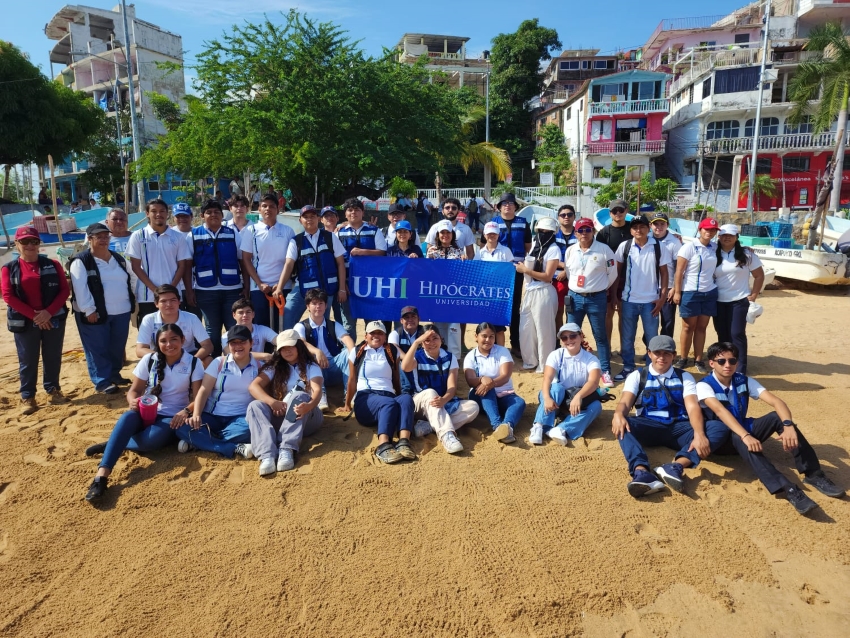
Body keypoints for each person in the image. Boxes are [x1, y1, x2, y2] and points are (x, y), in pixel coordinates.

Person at [697, 341, 844, 514]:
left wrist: (788, 425)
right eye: (721, 361)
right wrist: (746, 435)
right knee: (738, 436)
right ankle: (788, 489)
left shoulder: (743, 380)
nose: (727, 365)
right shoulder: (704, 385)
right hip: (721, 439)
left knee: (777, 417)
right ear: (711, 363)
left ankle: (814, 474)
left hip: (742, 428)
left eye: (732, 360)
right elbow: (720, 411)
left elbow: (776, 401)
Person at [83, 324, 205, 501]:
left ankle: (115, 443)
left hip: (172, 416)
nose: (169, 344)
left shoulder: (194, 362)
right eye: (163, 341)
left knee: (149, 442)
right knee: (127, 417)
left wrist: (185, 411)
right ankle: (101, 477)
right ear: (157, 343)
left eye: (174, 339)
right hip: (145, 409)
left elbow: (199, 397)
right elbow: (134, 391)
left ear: (183, 340)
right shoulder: (149, 359)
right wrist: (132, 401)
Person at [611, 334, 729, 497]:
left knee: (718, 427)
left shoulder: (684, 377)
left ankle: (675, 467)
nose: (662, 357)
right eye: (657, 353)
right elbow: (625, 402)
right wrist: (618, 414)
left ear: (674, 355)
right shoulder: (638, 375)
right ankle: (641, 471)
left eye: (667, 353)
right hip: (649, 425)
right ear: (649, 353)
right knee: (624, 424)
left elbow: (692, 407)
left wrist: (699, 434)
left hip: (678, 428)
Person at [1, 226, 71, 414]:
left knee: (52, 356)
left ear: (39, 244)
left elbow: (64, 290)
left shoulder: (53, 264)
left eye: (34, 241)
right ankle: (28, 396)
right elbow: (8, 296)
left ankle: (53, 390)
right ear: (16, 244)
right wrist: (36, 316)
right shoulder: (9, 268)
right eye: (25, 241)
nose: (30, 245)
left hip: (52, 319)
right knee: (28, 359)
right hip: (25, 322)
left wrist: (48, 313)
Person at [174, 324, 258, 460]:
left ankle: (199, 441)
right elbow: (204, 390)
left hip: (240, 418)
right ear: (228, 345)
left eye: (242, 342)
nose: (238, 346)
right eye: (233, 343)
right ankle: (231, 447)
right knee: (182, 427)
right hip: (212, 415)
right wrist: (196, 414)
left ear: (251, 343)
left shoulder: (259, 366)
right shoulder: (219, 362)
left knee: (250, 429)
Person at [247, 330, 324, 475]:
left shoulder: (311, 366)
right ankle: (267, 455)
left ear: (299, 346)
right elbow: (253, 387)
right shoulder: (274, 367)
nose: (287, 351)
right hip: (282, 414)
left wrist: (309, 406)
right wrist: (272, 402)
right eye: (283, 348)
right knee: (254, 406)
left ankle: (287, 448)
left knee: (299, 395)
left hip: (307, 415)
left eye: (291, 346)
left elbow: (317, 390)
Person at [69, 223, 134, 394]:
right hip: (95, 313)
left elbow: (132, 278)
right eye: (99, 237)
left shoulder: (118, 259)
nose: (104, 240)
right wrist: (88, 309)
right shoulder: (81, 261)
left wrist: (134, 301)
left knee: (117, 346)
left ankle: (114, 374)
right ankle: (102, 381)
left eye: (106, 236)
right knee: (97, 348)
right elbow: (80, 287)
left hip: (121, 311)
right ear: (89, 239)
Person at [341, 321, 415, 464]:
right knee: (388, 403)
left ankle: (403, 442)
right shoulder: (357, 352)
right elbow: (352, 380)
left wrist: (399, 397)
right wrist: (347, 404)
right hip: (366, 398)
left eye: (380, 333)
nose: (376, 336)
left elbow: (396, 378)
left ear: (385, 336)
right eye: (372, 333)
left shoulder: (392, 351)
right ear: (366, 336)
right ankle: (383, 445)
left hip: (388, 397)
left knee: (406, 398)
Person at [402, 325, 480, 454]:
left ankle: (429, 427)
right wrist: (415, 342)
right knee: (430, 392)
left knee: (473, 407)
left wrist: (444, 399)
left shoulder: (450, 357)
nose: (431, 343)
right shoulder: (417, 357)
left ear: (441, 339)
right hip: (420, 403)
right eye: (427, 340)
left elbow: (452, 387)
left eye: (435, 338)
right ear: (422, 343)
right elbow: (405, 367)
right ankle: (447, 435)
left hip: (441, 402)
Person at [613, 214, 671, 381]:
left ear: (648, 228)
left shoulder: (658, 246)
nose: (638, 230)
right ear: (631, 230)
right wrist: (615, 296)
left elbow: (664, 273)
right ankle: (628, 367)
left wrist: (662, 297)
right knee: (627, 337)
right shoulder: (625, 246)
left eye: (642, 226)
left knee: (652, 338)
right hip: (629, 300)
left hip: (650, 301)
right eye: (635, 227)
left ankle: (651, 370)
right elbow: (617, 273)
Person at [187, 200, 245, 357]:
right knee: (212, 330)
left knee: (234, 328)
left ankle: (235, 361)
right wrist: (190, 290)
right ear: (202, 216)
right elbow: (187, 265)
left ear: (222, 215)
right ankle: (215, 363)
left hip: (232, 290)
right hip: (205, 290)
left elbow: (243, 261)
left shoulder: (233, 233)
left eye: (217, 212)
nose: (213, 215)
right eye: (209, 212)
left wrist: (245, 286)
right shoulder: (193, 235)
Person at [530, 323, 604, 445]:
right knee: (557, 388)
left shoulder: (591, 359)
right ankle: (539, 425)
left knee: (596, 406)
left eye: (573, 336)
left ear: (581, 336)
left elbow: (594, 382)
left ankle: (560, 429)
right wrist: (547, 398)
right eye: (564, 338)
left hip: (576, 400)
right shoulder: (556, 354)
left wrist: (578, 397)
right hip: (555, 398)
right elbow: (547, 378)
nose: (569, 340)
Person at [275, 205, 347, 330]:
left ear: (318, 218)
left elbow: (341, 263)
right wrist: (279, 287)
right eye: (306, 217)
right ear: (300, 220)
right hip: (303, 288)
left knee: (321, 324)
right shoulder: (296, 241)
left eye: (312, 216)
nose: (309, 219)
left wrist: (342, 289)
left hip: (327, 290)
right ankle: (289, 342)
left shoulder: (330, 237)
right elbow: (289, 264)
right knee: (288, 315)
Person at [565, 217, 618, 387]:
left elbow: (612, 274)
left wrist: (599, 287)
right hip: (574, 297)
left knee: (600, 335)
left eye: (587, 230)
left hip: (596, 298)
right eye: (580, 230)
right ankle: (573, 369)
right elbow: (569, 272)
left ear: (593, 231)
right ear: (575, 233)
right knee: (571, 335)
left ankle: (605, 371)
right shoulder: (571, 250)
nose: (584, 233)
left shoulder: (604, 250)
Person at [125, 199, 191, 326]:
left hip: (173, 294)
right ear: (147, 214)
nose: (158, 214)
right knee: (150, 332)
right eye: (154, 211)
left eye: (162, 211)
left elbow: (182, 266)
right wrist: (155, 290)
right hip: (147, 296)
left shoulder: (178, 237)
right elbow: (136, 266)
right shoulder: (138, 236)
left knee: (174, 331)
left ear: (167, 213)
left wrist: (170, 289)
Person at [463, 322, 526, 444]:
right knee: (487, 388)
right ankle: (497, 425)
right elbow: (470, 381)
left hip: (504, 394)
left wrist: (490, 382)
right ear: (476, 336)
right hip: (480, 396)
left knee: (519, 402)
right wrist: (482, 379)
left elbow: (505, 376)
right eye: (484, 336)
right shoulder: (470, 356)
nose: (488, 340)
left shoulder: (502, 351)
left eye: (491, 336)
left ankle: (506, 427)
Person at [714, 225, 765, 375]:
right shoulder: (712, 253)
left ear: (737, 237)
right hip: (718, 300)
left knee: (737, 333)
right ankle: (725, 364)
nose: (727, 237)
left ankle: (740, 368)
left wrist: (754, 295)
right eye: (723, 235)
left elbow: (759, 275)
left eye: (730, 235)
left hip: (739, 299)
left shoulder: (747, 254)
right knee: (722, 334)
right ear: (718, 237)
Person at [293, 289, 354, 411]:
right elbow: (301, 342)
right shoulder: (301, 326)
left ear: (326, 306)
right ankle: (321, 397)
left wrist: (353, 352)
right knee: (312, 358)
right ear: (308, 306)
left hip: (333, 366)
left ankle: (350, 395)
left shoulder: (333, 325)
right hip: (313, 368)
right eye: (314, 303)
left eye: (321, 303)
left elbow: (347, 339)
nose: (318, 307)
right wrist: (317, 351)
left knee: (349, 353)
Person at [240, 194, 295, 328]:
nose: (268, 209)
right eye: (264, 206)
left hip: (283, 287)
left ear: (278, 209)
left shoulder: (288, 231)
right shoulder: (250, 230)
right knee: (261, 327)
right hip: (258, 288)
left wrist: (280, 285)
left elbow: (290, 261)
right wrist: (260, 283)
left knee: (282, 327)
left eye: (272, 206)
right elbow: (246, 259)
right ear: (259, 209)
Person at [673, 217, 720, 373]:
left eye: (713, 230)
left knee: (702, 327)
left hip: (709, 292)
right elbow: (679, 271)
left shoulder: (715, 247)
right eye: (707, 229)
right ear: (700, 229)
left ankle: (698, 360)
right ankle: (683, 358)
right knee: (688, 327)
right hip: (690, 292)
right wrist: (677, 291)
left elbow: (733, 248)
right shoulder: (689, 247)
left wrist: (747, 249)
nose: (710, 232)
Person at [515, 216, 560, 372]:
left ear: (553, 233)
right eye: (541, 231)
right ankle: (530, 361)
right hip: (529, 290)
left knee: (544, 330)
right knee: (526, 329)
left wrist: (525, 270)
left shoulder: (554, 249)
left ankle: (545, 364)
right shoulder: (535, 244)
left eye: (547, 231)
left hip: (544, 290)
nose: (543, 233)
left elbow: (548, 276)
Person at [337, 198, 387, 336]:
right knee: (348, 324)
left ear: (363, 212)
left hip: (370, 284)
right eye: (350, 210)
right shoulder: (339, 233)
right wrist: (342, 285)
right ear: (345, 214)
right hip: (348, 284)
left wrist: (362, 252)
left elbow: (382, 252)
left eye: (357, 209)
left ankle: (371, 349)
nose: (353, 212)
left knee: (372, 323)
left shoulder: (374, 230)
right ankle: (351, 350)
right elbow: (336, 261)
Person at [491, 192, 531, 356]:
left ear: (515, 206)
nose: (507, 205)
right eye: (504, 203)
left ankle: (515, 344)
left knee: (514, 307)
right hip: (497, 272)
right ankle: (494, 343)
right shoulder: (493, 223)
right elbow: (485, 244)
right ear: (499, 207)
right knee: (495, 305)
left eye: (511, 203)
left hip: (516, 271)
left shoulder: (523, 223)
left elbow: (527, 246)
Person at [136, 284, 213, 362]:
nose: (169, 304)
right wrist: (162, 359)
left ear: (179, 301)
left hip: (188, 355)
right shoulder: (149, 319)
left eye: (173, 300)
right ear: (156, 304)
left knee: (208, 360)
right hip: (160, 356)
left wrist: (191, 361)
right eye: (163, 301)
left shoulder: (191, 318)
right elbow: (140, 349)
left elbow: (208, 345)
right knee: (143, 363)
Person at [596, 199, 632, 362]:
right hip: (608, 278)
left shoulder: (633, 229)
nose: (618, 213)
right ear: (610, 214)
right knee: (608, 314)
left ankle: (625, 349)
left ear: (626, 211)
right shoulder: (604, 233)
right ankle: (608, 348)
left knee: (624, 315)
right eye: (614, 211)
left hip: (628, 279)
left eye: (621, 210)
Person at [427, 219, 465, 360]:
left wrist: (464, 261)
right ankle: (441, 356)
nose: (445, 235)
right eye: (442, 233)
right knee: (439, 327)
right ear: (438, 234)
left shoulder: (459, 251)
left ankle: (455, 358)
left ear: (452, 234)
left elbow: (463, 274)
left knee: (454, 327)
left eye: (448, 232)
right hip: (437, 295)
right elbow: (426, 272)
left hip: (454, 295)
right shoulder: (431, 251)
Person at [474, 221, 513, 346]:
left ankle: (501, 353)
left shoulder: (506, 251)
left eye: (494, 234)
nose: (491, 236)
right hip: (484, 295)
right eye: (489, 234)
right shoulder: (479, 253)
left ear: (498, 235)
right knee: (484, 327)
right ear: (484, 235)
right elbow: (476, 272)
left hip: (500, 295)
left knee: (499, 329)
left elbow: (510, 272)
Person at [649, 212, 683, 339]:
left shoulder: (674, 242)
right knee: (650, 320)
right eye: (656, 224)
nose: (659, 227)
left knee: (667, 322)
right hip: (650, 286)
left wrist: (674, 287)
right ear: (651, 225)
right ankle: (651, 347)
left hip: (668, 287)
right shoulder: (647, 239)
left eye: (662, 224)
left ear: (667, 225)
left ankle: (666, 347)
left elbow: (678, 267)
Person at [553, 205, 578, 330]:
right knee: (558, 311)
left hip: (576, 279)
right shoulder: (552, 235)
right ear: (558, 218)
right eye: (563, 215)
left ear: (574, 217)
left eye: (569, 214)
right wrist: (564, 268)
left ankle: (571, 336)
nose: (566, 217)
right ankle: (558, 339)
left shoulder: (581, 234)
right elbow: (548, 257)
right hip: (556, 278)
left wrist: (567, 271)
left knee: (572, 311)